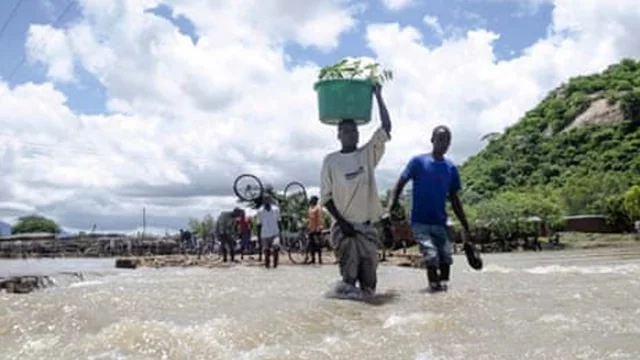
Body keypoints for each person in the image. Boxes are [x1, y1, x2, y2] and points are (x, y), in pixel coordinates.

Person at [320, 83, 391, 297]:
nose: (352, 135)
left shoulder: (366, 155)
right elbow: (326, 198)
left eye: (354, 131)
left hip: (366, 229)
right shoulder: (331, 161)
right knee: (349, 283)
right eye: (346, 131)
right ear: (338, 135)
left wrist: (378, 96)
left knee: (369, 284)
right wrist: (342, 223)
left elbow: (386, 128)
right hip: (344, 230)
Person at [388, 125, 472, 292]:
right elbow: (400, 182)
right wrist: (392, 204)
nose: (444, 143)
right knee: (431, 255)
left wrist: (465, 224)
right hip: (420, 222)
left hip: (440, 222)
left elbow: (455, 200)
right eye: (440, 139)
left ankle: (443, 295)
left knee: (446, 258)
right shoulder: (418, 162)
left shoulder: (451, 168)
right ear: (432, 140)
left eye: (447, 140)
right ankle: (434, 290)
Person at [256, 197, 282, 269]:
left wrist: (281, 234)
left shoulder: (276, 209)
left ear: (270, 201)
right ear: (263, 201)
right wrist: (258, 237)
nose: (267, 201)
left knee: (276, 248)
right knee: (266, 251)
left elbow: (279, 221)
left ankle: (275, 266)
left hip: (275, 233)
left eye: (268, 200)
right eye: (265, 200)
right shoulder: (260, 211)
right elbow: (259, 224)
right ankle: (267, 267)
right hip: (264, 234)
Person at [306, 195, 324, 264]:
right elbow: (309, 218)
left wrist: (319, 227)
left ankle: (320, 259)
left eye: (312, 200)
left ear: (315, 200)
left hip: (316, 229)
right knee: (311, 245)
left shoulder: (318, 208)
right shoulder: (310, 208)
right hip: (311, 229)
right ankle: (313, 259)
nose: (311, 201)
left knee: (317, 245)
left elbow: (320, 218)